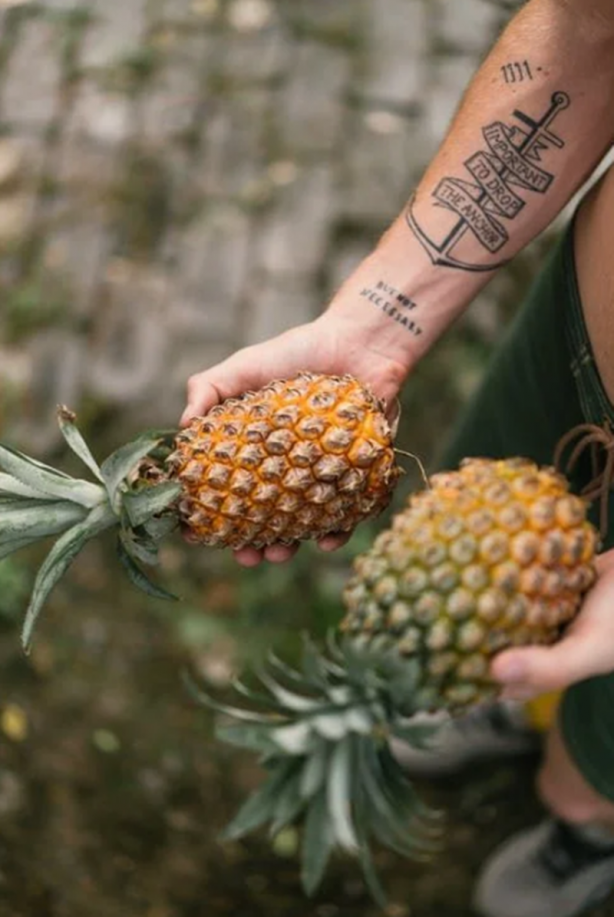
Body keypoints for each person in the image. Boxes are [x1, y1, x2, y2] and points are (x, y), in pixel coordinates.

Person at [180, 1, 614, 915]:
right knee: (487, 597)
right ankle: (490, 692)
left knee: (602, 750)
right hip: (579, 329)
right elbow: (594, 25)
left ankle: (589, 829)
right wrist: (380, 316)